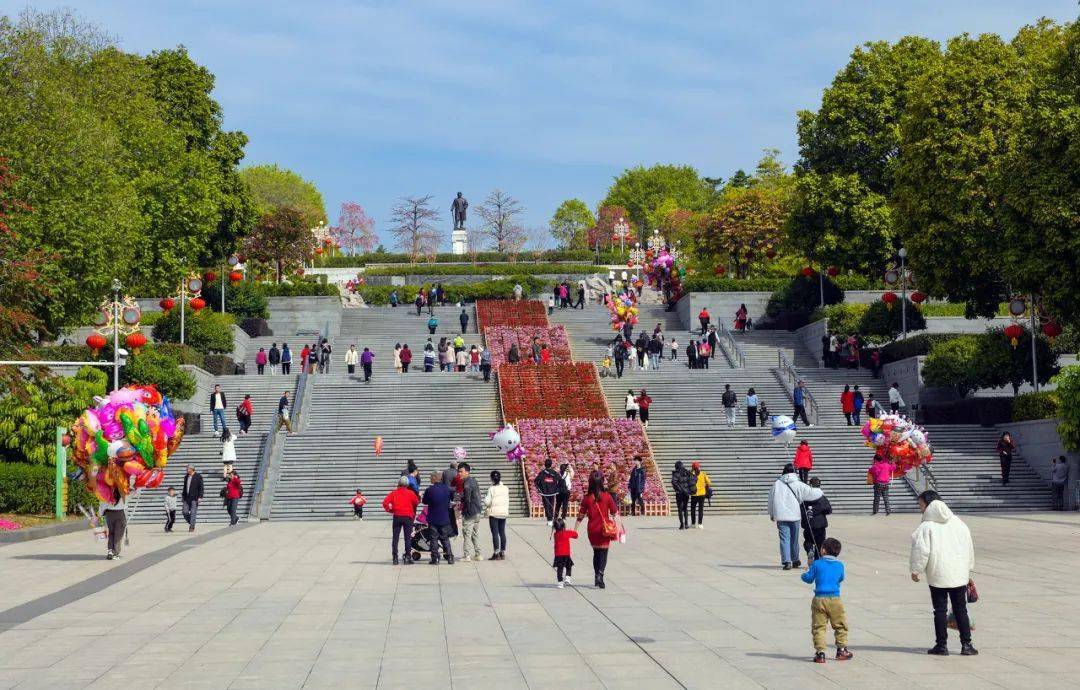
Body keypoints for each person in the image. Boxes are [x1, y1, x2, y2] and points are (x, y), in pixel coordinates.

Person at [910, 491, 977, 656]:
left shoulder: (926, 526)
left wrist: (916, 570)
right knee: (961, 609)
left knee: (939, 610)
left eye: (921, 505)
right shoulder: (959, 523)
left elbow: (921, 551)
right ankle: (966, 645)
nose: (921, 509)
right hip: (958, 575)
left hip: (938, 574)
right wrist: (968, 568)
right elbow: (968, 547)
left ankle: (941, 645)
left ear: (929, 504)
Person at [801, 537, 853, 664]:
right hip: (835, 599)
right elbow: (841, 578)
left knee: (819, 626)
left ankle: (820, 653)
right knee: (840, 624)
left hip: (819, 599)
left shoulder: (817, 564)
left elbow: (808, 579)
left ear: (823, 550)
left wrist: (806, 571)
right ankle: (841, 650)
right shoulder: (840, 565)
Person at [767, 463, 823, 570]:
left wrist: (771, 513)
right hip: (794, 515)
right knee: (794, 538)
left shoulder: (777, 484)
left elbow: (771, 499)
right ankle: (795, 559)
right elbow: (811, 493)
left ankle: (787, 561)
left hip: (781, 515)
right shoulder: (798, 483)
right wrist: (819, 490)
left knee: (784, 539)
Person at [575, 472, 620, 588]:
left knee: (596, 553)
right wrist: (619, 527)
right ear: (602, 482)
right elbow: (615, 512)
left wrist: (575, 530)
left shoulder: (587, 498)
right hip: (604, 529)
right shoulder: (607, 496)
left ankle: (596, 576)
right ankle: (600, 575)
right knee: (603, 554)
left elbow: (580, 516)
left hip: (592, 529)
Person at [383, 476, 420, 564]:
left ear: (399, 483)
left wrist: (391, 510)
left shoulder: (394, 493)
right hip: (408, 517)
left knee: (395, 538)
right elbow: (416, 502)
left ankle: (395, 558)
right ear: (407, 484)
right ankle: (408, 557)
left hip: (397, 516)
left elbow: (385, 503)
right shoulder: (410, 493)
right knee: (407, 538)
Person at [422, 472, 455, 565]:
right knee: (445, 538)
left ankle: (435, 558)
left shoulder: (430, 490)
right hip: (444, 517)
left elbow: (425, 501)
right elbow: (451, 499)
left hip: (433, 518)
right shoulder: (447, 489)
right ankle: (450, 557)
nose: (429, 479)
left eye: (430, 477)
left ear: (435, 478)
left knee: (434, 538)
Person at [456, 463, 483, 562]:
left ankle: (466, 555)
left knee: (467, 534)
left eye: (461, 471)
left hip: (470, 512)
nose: (459, 474)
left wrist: (463, 509)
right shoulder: (473, 480)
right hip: (477, 511)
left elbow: (467, 499)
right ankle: (478, 554)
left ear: (467, 472)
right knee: (474, 534)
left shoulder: (467, 483)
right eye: (458, 471)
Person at [801, 477, 832, 563]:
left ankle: (810, 549)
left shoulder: (805, 497)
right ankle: (817, 560)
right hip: (820, 524)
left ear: (810, 485)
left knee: (808, 540)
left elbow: (801, 510)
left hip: (808, 524)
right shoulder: (822, 497)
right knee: (820, 543)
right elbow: (829, 510)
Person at [484, 470, 510, 560]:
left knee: (495, 533)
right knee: (502, 532)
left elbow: (487, 502)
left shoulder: (491, 489)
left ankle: (496, 552)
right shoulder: (505, 488)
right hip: (503, 512)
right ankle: (502, 552)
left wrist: (485, 498)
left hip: (494, 513)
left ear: (491, 479)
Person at [101, 483, 128, 560]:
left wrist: (101, 514)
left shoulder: (107, 492)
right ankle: (115, 553)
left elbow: (103, 503)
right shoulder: (123, 492)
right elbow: (134, 493)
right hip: (120, 513)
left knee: (111, 533)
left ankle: (110, 551)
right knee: (118, 535)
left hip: (109, 514)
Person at [552, 518, 578, 589]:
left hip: (558, 555)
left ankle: (560, 583)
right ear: (563, 526)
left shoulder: (555, 534)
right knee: (568, 566)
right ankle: (567, 578)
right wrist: (571, 530)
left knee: (560, 569)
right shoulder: (566, 533)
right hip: (566, 554)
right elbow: (576, 535)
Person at [534, 459, 562, 525]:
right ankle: (551, 520)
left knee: (546, 506)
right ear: (551, 465)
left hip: (544, 492)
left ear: (545, 464)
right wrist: (557, 488)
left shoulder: (542, 473)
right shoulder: (554, 473)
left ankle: (549, 520)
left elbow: (536, 481)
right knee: (551, 505)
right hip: (552, 492)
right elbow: (560, 480)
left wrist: (539, 489)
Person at [671, 460, 695, 530]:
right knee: (685, 508)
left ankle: (682, 524)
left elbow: (673, 482)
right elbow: (694, 479)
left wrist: (678, 489)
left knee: (680, 509)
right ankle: (686, 524)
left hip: (679, 494)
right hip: (686, 493)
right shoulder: (687, 472)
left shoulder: (676, 473)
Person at [869, 451, 893, 515]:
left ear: (875, 459)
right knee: (886, 498)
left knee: (877, 498)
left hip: (878, 483)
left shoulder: (875, 466)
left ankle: (875, 511)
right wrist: (892, 462)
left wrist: (873, 464)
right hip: (886, 484)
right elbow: (893, 468)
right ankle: (888, 511)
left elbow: (871, 471)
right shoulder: (886, 465)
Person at [181, 465, 204, 533]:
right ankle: (191, 522)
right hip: (186, 498)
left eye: (187, 469)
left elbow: (201, 488)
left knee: (193, 513)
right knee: (184, 512)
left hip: (195, 498)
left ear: (191, 469)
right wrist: (183, 496)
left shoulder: (198, 476)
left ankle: (191, 527)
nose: (186, 470)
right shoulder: (186, 477)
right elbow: (184, 487)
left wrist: (200, 497)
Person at [690, 461, 711, 529]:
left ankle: (693, 524)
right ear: (699, 467)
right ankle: (700, 524)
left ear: (693, 467)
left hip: (694, 494)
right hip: (702, 494)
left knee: (693, 509)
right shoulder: (703, 474)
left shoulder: (691, 474)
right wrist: (705, 485)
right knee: (700, 509)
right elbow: (709, 482)